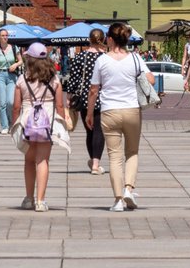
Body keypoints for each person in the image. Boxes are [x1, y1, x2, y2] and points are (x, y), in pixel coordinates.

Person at [86, 23, 156, 212]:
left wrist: (90, 113)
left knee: (114, 156)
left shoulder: (102, 60)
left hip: (109, 111)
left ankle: (118, 200)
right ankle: (128, 189)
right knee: (132, 152)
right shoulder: (135, 58)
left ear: (109, 39)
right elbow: (151, 80)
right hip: (132, 109)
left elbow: (93, 90)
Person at [13, 43, 67, 212]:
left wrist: (13, 125)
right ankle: (41, 201)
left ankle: (29, 198)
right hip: (47, 123)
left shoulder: (22, 79)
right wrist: (63, 124)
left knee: (29, 161)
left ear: (30, 59)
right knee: (42, 160)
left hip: (27, 122)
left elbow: (15, 106)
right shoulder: (55, 79)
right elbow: (59, 105)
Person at [64, 28, 107, 174]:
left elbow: (73, 79)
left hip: (84, 98)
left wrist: (69, 98)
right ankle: (96, 164)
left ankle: (92, 160)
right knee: (99, 131)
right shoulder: (106, 57)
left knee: (90, 131)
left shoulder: (80, 56)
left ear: (89, 39)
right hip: (103, 97)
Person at [0, 29, 21, 133]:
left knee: (10, 102)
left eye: (6, 35)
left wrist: (15, 64)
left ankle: (12, 123)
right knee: (2, 103)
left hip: (12, 76)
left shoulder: (14, 48)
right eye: (2, 35)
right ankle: (4, 126)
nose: (5, 37)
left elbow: (21, 61)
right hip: (0, 76)